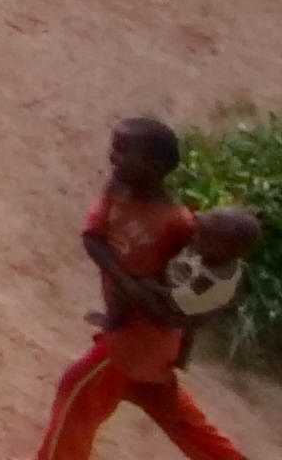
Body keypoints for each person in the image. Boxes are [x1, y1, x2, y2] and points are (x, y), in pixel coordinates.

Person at [40, 117, 260, 460]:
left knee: (76, 390)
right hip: (143, 338)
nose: (114, 158)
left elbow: (204, 287)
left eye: (126, 152)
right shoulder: (117, 199)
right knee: (178, 417)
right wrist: (128, 285)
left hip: (138, 340)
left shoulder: (179, 224)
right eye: (115, 148)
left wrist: (178, 328)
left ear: (157, 167)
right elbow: (93, 237)